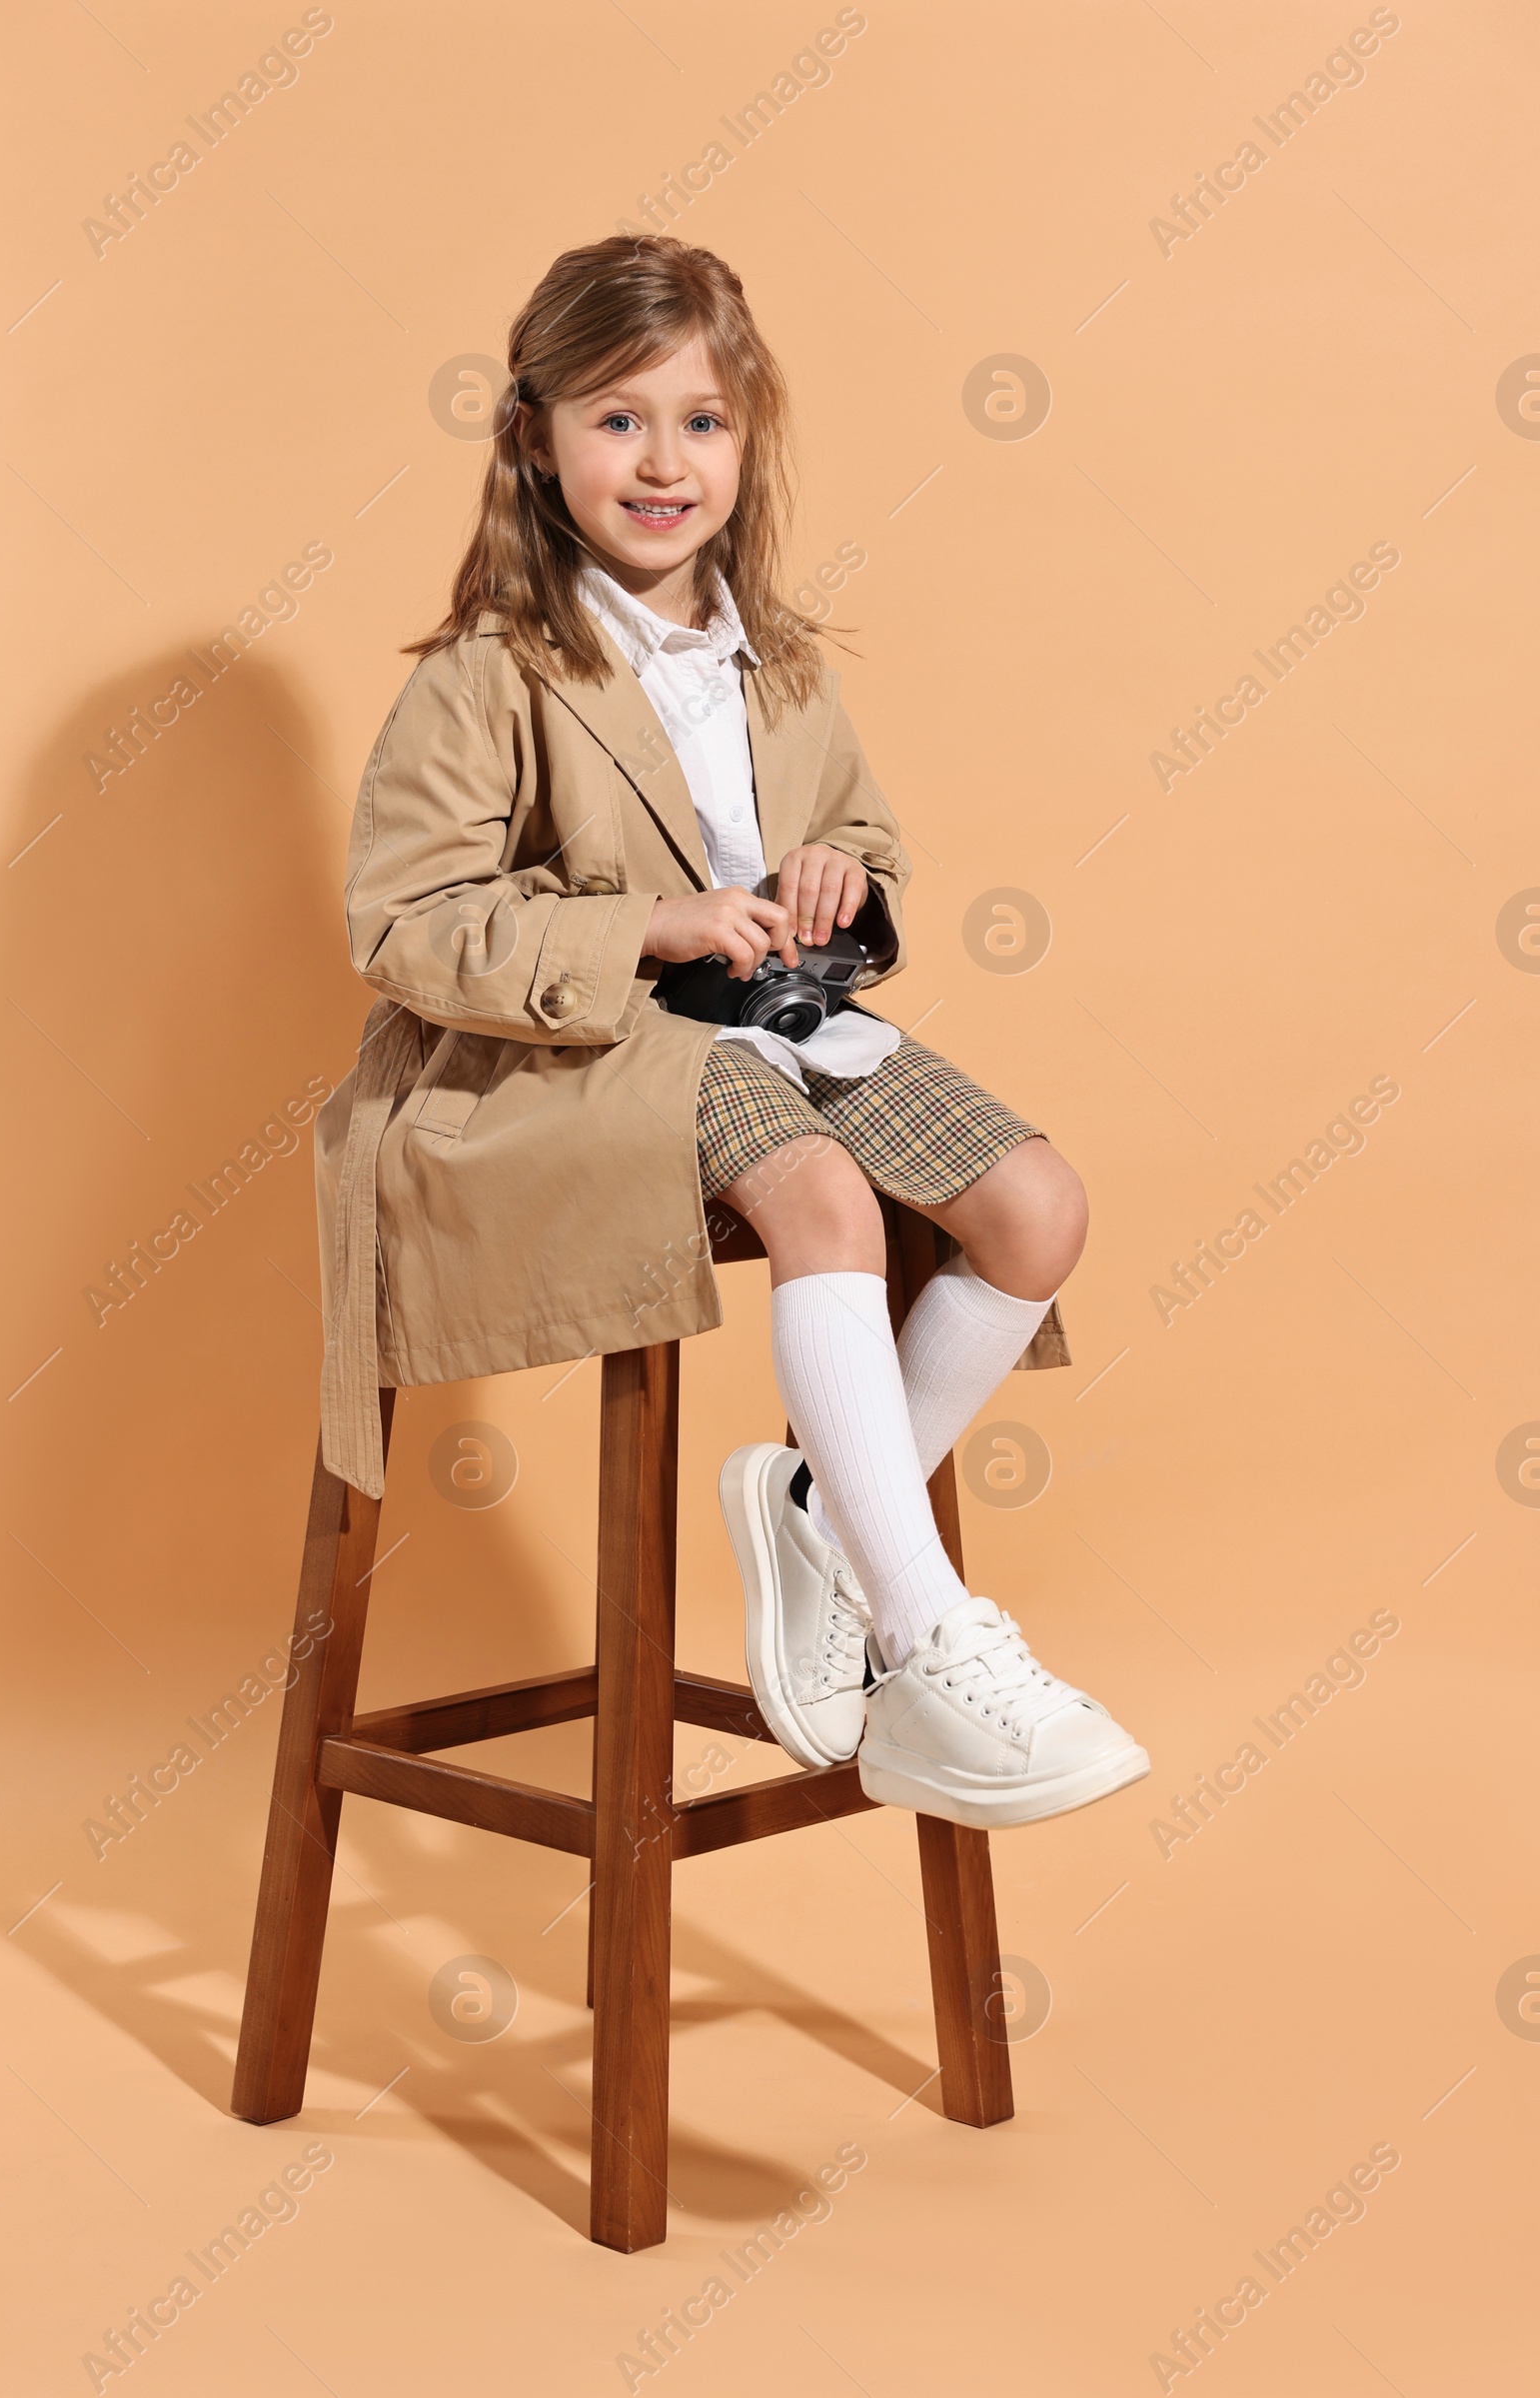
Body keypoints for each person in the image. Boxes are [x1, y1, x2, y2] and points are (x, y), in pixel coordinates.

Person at [316, 233, 1148, 1830]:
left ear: (748, 441)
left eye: (702, 421)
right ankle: (929, 1639)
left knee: (1039, 1205)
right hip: (568, 1056)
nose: (662, 460)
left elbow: (867, 843)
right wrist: (644, 922)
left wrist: (843, 879)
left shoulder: (784, 662)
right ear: (536, 437)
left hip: (773, 1027)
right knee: (826, 1200)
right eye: (617, 419)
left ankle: (831, 1513)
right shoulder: (491, 672)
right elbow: (404, 924)